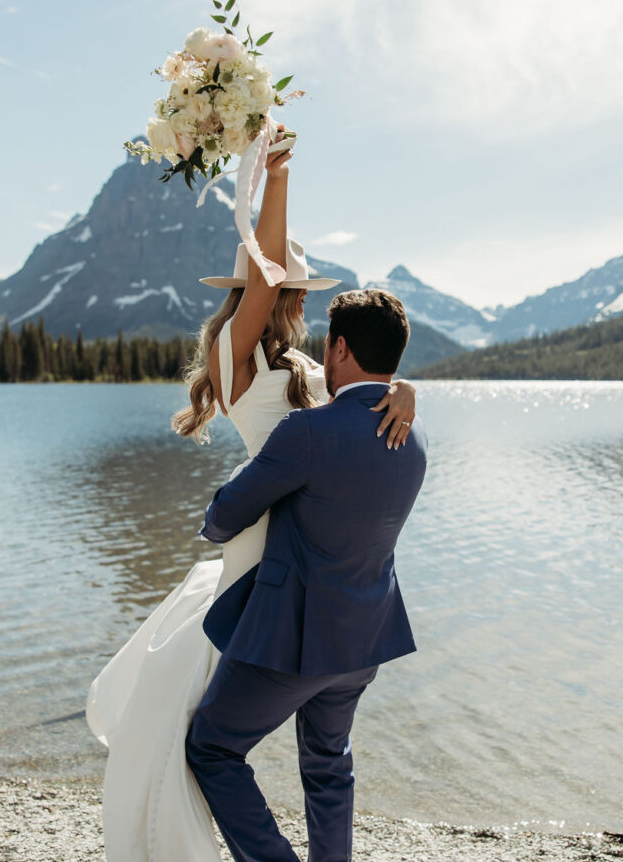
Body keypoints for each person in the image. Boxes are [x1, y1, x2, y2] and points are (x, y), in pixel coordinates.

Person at [86, 129, 417, 862]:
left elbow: (353, 407)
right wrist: (275, 177)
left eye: (295, 292)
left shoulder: (306, 363)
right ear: (253, 292)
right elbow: (263, 282)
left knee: (249, 740)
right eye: (285, 289)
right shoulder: (231, 356)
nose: (292, 300)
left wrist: (404, 388)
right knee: (207, 733)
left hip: (303, 558)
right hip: (266, 567)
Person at [186, 287, 428, 862]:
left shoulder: (308, 432)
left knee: (214, 746)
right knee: (328, 766)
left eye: (328, 343)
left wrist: (217, 526)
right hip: (365, 638)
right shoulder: (413, 435)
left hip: (292, 639)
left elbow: (226, 514)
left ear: (339, 347)